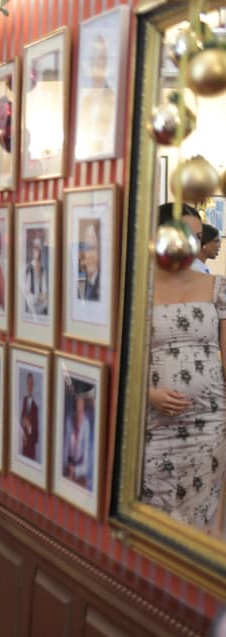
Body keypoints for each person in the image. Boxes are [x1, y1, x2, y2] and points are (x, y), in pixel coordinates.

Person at [142, 205, 226, 531]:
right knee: (154, 519)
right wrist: (148, 394)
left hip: (210, 423)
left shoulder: (217, 287)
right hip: (155, 422)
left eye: (197, 236)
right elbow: (120, 359)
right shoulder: (137, 290)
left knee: (202, 521)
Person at [63, 382, 94, 488]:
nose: (79, 415)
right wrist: (66, 467)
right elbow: (65, 449)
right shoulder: (69, 420)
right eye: (77, 410)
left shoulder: (86, 425)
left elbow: (87, 465)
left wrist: (75, 470)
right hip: (68, 467)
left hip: (79, 471)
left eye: (81, 411)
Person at [23, 228, 49, 319]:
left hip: (42, 314)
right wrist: (38, 297)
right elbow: (28, 297)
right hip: (30, 315)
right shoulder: (28, 269)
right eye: (35, 247)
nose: (37, 250)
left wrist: (40, 297)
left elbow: (46, 298)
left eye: (39, 248)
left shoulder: (43, 271)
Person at [78, 219, 102, 302]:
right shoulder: (81, 278)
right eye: (86, 248)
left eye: (92, 248)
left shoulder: (102, 285)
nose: (88, 255)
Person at [19, 371, 40, 462]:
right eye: (28, 383)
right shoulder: (24, 401)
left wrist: (29, 427)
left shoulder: (36, 408)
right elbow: (21, 422)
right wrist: (22, 423)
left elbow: (36, 436)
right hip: (23, 445)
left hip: (31, 449)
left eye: (31, 383)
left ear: (33, 385)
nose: (29, 386)